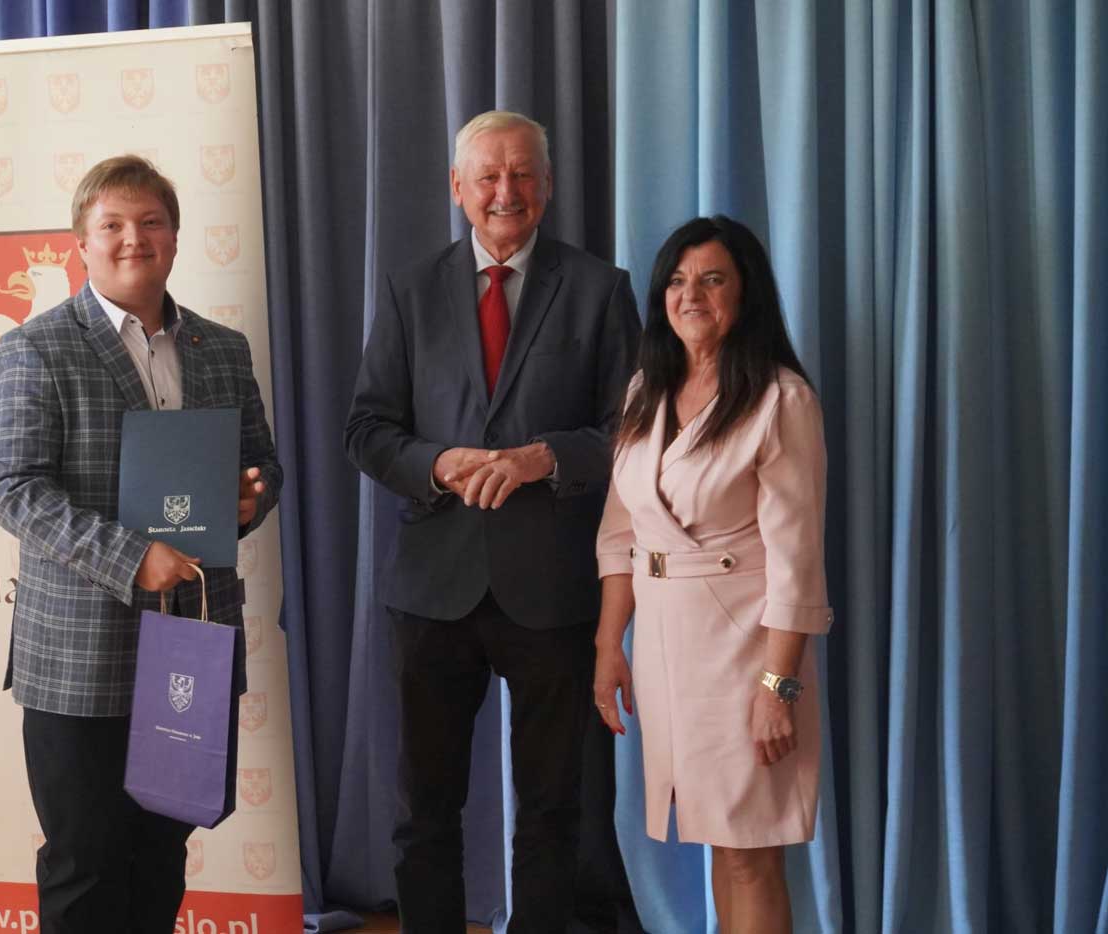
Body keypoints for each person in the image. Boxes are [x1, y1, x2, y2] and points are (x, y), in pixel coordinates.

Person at [344, 110, 641, 933]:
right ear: (457, 188)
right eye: (487, 176)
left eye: (521, 174)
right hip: (432, 588)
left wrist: (544, 458)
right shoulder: (410, 291)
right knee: (424, 810)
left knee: (552, 811)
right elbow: (367, 430)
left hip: (552, 588)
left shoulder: (600, 289)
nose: (505, 191)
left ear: (547, 186)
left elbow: (634, 432)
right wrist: (439, 464)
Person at [0, 155, 280, 933]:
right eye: (111, 224)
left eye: (151, 222)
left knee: (159, 857)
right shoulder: (35, 348)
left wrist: (250, 497)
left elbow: (263, 463)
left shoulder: (223, 348)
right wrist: (130, 557)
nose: (133, 239)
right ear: (80, 242)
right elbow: (11, 487)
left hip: (191, 644)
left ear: (175, 237)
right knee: (85, 865)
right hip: (79, 656)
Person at [593, 215, 833, 933]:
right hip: (664, 650)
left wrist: (777, 689)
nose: (690, 294)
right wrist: (609, 646)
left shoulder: (781, 400)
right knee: (717, 843)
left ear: (745, 292)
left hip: (746, 653)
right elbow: (621, 532)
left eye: (712, 279)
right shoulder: (647, 391)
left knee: (749, 852)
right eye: (676, 280)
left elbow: (798, 562)